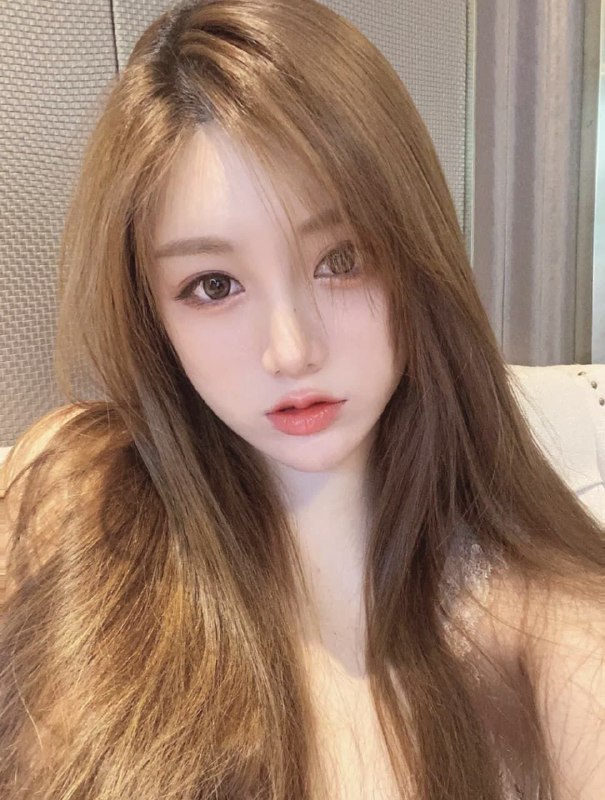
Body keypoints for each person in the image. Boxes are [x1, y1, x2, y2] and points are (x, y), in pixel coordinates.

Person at [1, 0, 604, 797]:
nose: (290, 350)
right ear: (151, 311)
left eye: (341, 260)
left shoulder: (546, 619)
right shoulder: (81, 492)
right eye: (213, 285)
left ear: (415, 257)